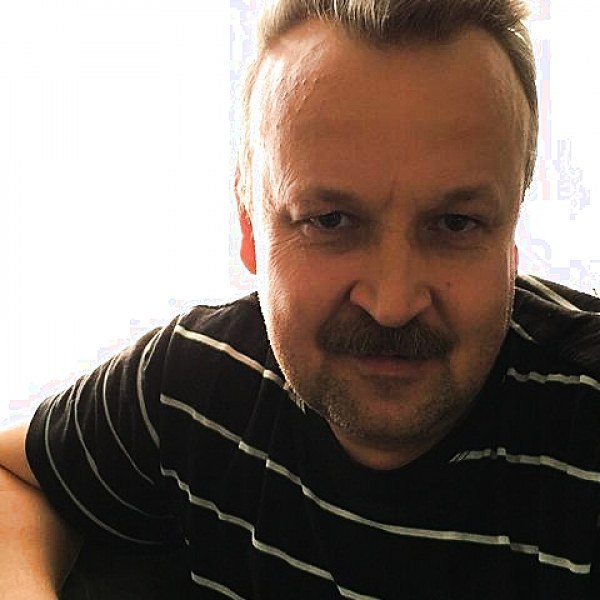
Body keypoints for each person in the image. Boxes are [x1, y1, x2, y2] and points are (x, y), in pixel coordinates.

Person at [1, 0, 600, 597]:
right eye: (330, 220)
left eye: (456, 224)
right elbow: (16, 476)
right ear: (249, 228)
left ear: (511, 233)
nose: (392, 303)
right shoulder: (198, 382)